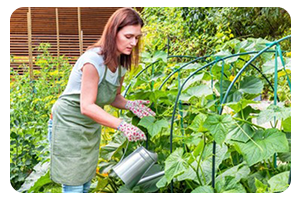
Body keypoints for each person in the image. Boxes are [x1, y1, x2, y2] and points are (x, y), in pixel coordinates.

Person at [48, 7, 155, 194]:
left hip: (89, 126)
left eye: (137, 37)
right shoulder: (93, 61)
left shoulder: (121, 63)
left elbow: (112, 97)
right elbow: (87, 106)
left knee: (86, 183)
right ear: (114, 33)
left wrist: (130, 104)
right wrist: (123, 125)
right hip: (68, 124)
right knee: (74, 185)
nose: (133, 42)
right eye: (128, 36)